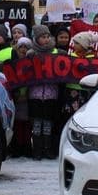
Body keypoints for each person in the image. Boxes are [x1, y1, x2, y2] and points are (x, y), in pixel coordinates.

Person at [26, 25, 59, 160]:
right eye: (42, 37)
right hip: (35, 94)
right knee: (37, 123)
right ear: (36, 39)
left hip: (51, 94)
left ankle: (48, 149)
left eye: (47, 37)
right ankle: (37, 150)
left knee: (48, 123)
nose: (45, 40)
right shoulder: (31, 53)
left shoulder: (56, 52)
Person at [63, 32, 97, 125]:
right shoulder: (70, 57)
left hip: (86, 91)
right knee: (70, 115)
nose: (74, 45)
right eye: (74, 43)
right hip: (72, 89)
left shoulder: (94, 57)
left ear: (84, 44)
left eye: (77, 43)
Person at [10, 36, 32, 157]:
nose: (23, 50)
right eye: (20, 47)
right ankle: (17, 148)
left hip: (28, 98)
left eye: (26, 47)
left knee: (27, 124)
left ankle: (27, 147)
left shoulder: (32, 63)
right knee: (17, 124)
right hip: (16, 97)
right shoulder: (12, 64)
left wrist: (27, 94)